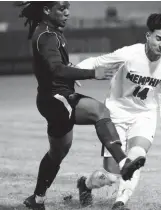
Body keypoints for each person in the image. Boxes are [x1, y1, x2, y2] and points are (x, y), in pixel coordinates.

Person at [15, 2, 145, 210]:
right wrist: (94, 73)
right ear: (47, 10)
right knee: (99, 111)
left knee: (57, 153)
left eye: (68, 7)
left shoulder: (50, 32)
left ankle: (37, 200)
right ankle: (123, 162)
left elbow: (55, 68)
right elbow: (57, 69)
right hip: (57, 99)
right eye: (61, 8)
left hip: (52, 99)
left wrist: (72, 73)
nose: (67, 12)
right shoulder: (46, 36)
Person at [76, 13, 161, 210]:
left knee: (137, 157)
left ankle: (120, 204)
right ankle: (85, 184)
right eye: (158, 38)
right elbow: (97, 62)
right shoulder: (128, 54)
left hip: (144, 115)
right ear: (147, 36)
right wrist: (76, 72)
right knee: (113, 175)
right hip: (115, 114)